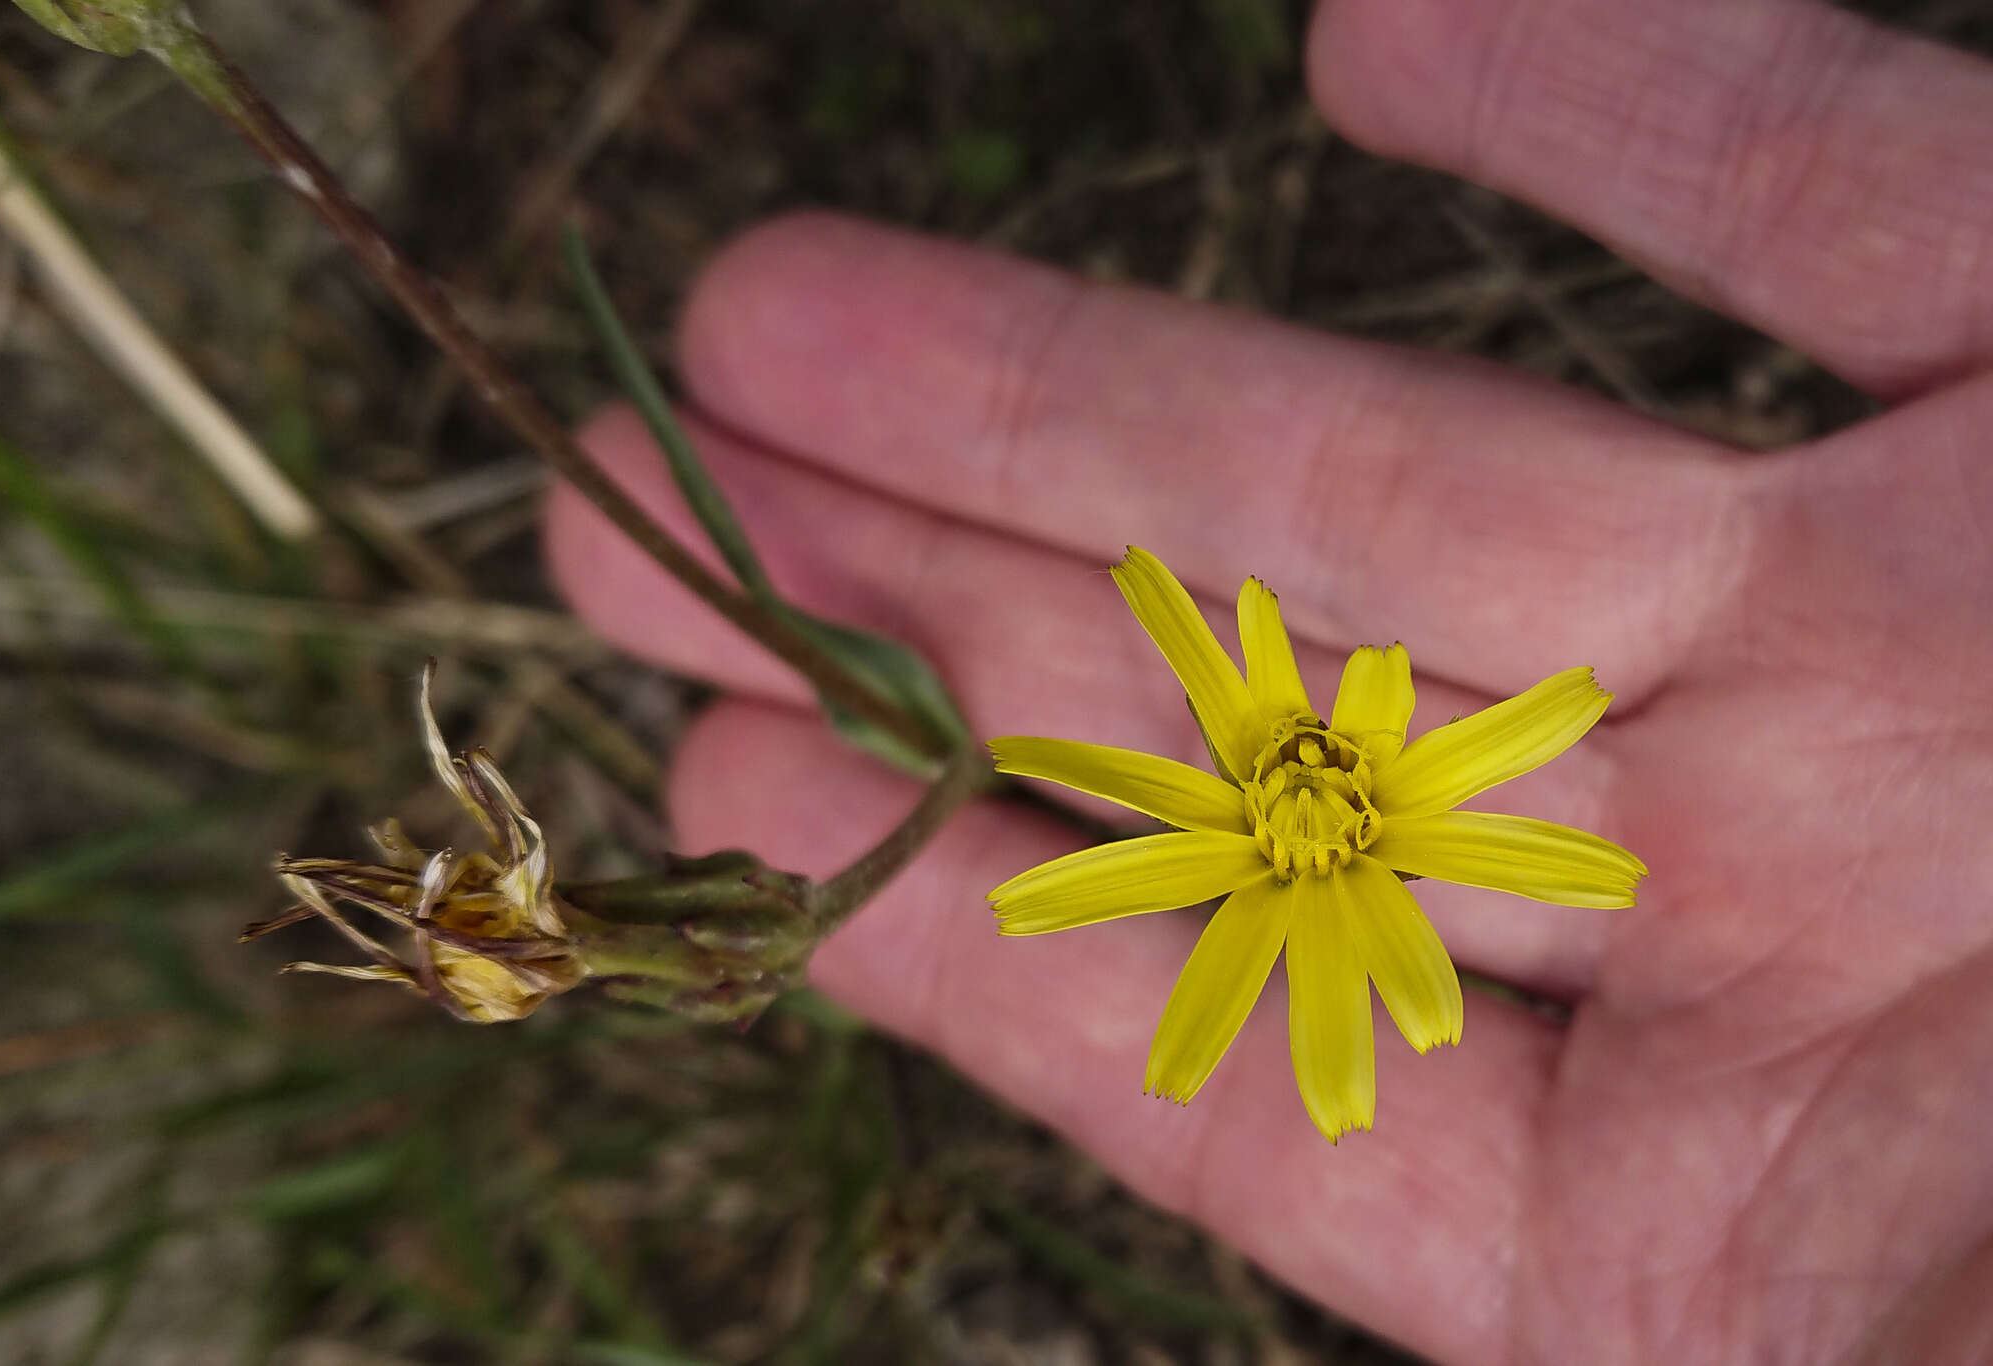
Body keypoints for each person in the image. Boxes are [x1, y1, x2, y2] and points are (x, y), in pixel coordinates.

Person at [545, 0, 1993, 1359]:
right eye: (1314, 777)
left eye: (1321, 778)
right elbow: (1242, 703)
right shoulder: (1315, 790)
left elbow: (1330, 787)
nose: (1317, 786)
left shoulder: (1357, 817)